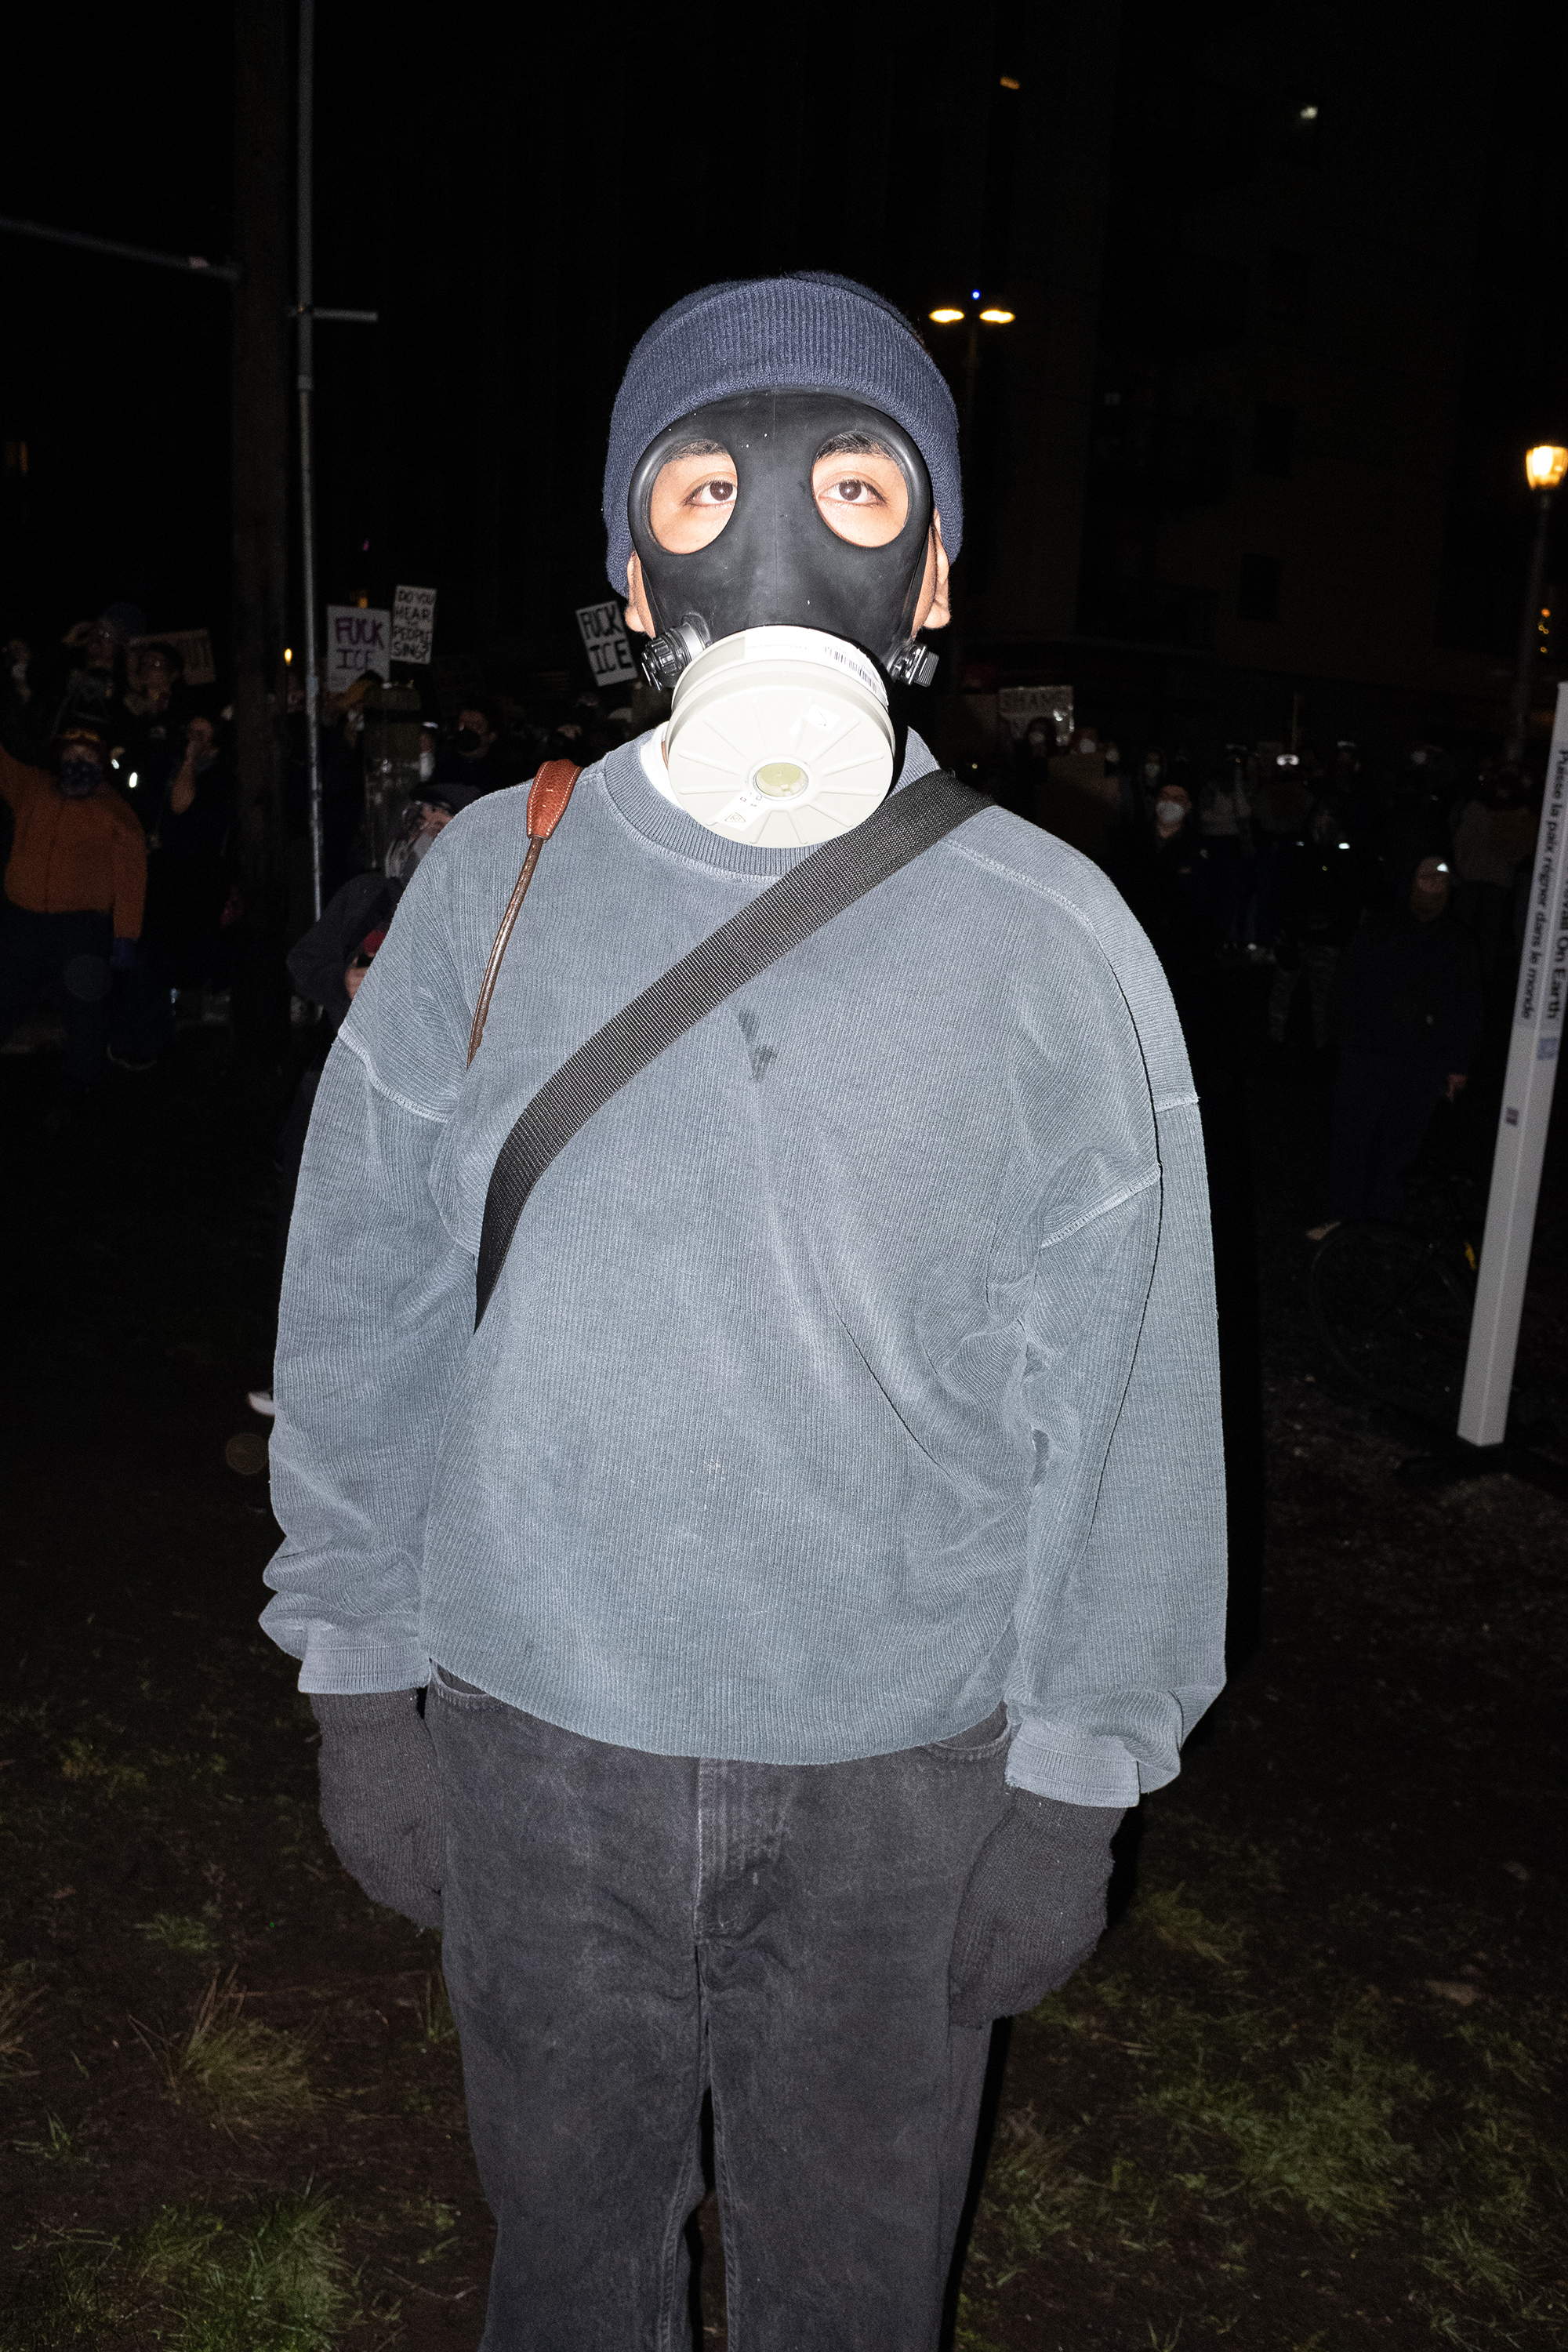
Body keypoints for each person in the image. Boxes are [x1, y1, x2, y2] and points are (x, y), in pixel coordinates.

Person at [260, 273, 1226, 2352]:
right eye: (703, 482)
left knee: (852, 2300)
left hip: (900, 1771)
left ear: (936, 561)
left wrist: (1076, 1775)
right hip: (538, 1744)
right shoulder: (490, 886)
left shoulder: (1059, 944)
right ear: (631, 562)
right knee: (567, 2270)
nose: (780, 531)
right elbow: (368, 1290)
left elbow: (1133, 1398)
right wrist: (358, 1674)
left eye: (859, 480)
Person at [1314, 855, 1481, 1236]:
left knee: (1400, 1147)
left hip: (1422, 1063)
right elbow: (1347, 988)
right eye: (1427, 877)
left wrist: (1458, 1064)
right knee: (1352, 1138)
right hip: (1368, 1054)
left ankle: (1384, 1224)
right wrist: (1342, 1039)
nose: (1434, 885)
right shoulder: (1378, 931)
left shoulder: (1458, 942)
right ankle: (1344, 1218)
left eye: (1442, 880)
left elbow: (1468, 1006)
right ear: (1411, 883)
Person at [0, 713, 147, 1094]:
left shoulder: (116, 812)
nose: (78, 762)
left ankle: (82, 1085)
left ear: (100, 764)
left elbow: (131, 878)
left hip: (80, 927)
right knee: (5, 993)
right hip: (24, 918)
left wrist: (125, 936)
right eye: (72, 754)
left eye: (88, 756)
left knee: (84, 1008)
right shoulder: (31, 789)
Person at [434, 698, 515, 793]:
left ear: (492, 736)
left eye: (476, 726)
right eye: (462, 725)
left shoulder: (504, 772)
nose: (467, 731)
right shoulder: (441, 761)